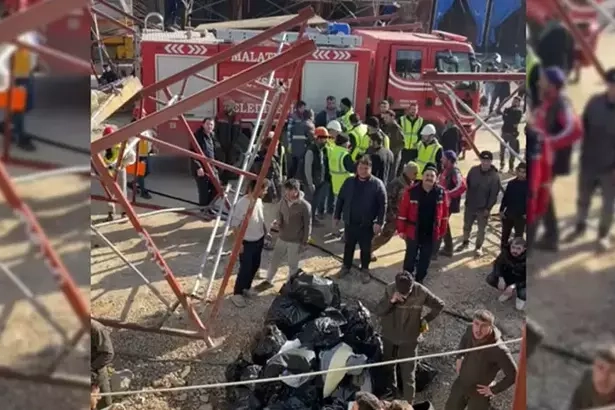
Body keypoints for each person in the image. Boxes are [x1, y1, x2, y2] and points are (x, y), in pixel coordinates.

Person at [531, 66, 582, 251]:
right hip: (541, 158)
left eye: (542, 80)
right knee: (543, 195)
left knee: (539, 195)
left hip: (550, 160)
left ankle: (543, 237)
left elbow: (574, 130)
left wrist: (547, 143)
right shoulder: (548, 101)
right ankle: (549, 235)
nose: (538, 82)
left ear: (551, 84)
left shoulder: (561, 104)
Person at [565, 68, 615, 251]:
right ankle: (580, 224)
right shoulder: (595, 103)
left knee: (608, 205)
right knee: (583, 198)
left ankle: (603, 234)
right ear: (607, 85)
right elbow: (581, 128)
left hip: (610, 168)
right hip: (588, 163)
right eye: (612, 84)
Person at [375, 271, 445, 403]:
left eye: (408, 292)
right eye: (402, 293)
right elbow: (379, 311)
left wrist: (425, 320)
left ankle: (407, 404)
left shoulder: (421, 291)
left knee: (408, 375)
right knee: (388, 368)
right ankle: (391, 396)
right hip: (390, 335)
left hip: (410, 339)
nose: (405, 295)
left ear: (412, 285)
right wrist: (391, 301)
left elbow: (439, 305)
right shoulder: (390, 289)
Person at [444, 310, 518, 410]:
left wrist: (493, 390)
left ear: (491, 327)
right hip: (462, 382)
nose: (478, 329)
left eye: (484, 326)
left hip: (479, 392)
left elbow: (514, 374)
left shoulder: (499, 350)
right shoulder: (470, 329)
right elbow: (464, 341)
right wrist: (459, 357)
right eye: (476, 323)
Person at [334, 155, 386, 283]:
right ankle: (346, 266)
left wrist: (379, 222)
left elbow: (383, 205)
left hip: (367, 224)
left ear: (371, 169)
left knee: (365, 248)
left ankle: (365, 270)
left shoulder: (377, 184)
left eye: (366, 168)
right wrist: (336, 215)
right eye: (361, 168)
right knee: (349, 246)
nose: (363, 171)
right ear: (357, 168)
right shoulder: (349, 182)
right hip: (350, 221)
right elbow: (340, 199)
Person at [396, 164, 449, 282]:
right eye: (427, 175)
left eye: (432, 176)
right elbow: (403, 212)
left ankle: (419, 281)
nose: (429, 178)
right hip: (413, 231)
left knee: (425, 259)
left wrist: (442, 231)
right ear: (422, 176)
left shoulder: (441, 193)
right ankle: (405, 280)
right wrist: (401, 230)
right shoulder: (411, 191)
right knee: (410, 256)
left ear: (436, 178)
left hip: (431, 232)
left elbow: (445, 215)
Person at [260, 179, 311, 289]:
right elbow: (279, 214)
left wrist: (305, 241)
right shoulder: (283, 201)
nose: (287, 193)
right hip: (282, 237)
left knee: (293, 265)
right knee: (275, 260)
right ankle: (268, 280)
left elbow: (307, 225)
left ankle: (290, 286)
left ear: (296, 191)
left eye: (289, 190)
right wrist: (278, 223)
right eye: (286, 190)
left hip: (295, 240)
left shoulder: (304, 206)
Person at [229, 178, 271, 308]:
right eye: (264, 189)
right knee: (245, 268)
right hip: (246, 242)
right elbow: (235, 225)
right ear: (257, 189)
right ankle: (237, 293)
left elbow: (260, 217)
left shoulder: (258, 201)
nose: (266, 192)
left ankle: (246, 288)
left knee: (255, 265)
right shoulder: (242, 204)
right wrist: (239, 243)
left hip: (258, 239)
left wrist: (265, 232)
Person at [371, 162, 419, 262]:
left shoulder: (410, 183)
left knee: (410, 237)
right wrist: (391, 215)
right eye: (415, 173)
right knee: (385, 236)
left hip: (406, 216)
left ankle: (413, 255)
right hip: (395, 216)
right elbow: (387, 200)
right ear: (409, 172)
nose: (416, 175)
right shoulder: (396, 184)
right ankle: (368, 250)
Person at [456, 151, 500, 257]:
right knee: (467, 226)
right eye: (483, 160)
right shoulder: (473, 170)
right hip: (470, 205)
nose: (485, 163)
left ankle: (478, 247)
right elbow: (467, 185)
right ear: (480, 160)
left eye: (488, 161)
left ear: (491, 161)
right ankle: (465, 242)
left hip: (483, 208)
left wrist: (488, 208)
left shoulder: (494, 176)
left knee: (481, 230)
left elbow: (494, 194)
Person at [101, 126, 137, 222]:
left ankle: (123, 213)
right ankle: (111, 213)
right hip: (108, 172)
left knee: (122, 193)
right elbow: (100, 159)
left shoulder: (122, 146)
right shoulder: (103, 146)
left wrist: (122, 164)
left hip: (119, 171)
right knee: (109, 194)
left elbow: (132, 158)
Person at [485, 237, 527, 311]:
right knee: (491, 279)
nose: (514, 251)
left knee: (521, 302)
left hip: (522, 281)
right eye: (513, 247)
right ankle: (508, 292)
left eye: (518, 249)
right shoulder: (505, 252)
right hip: (510, 275)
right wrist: (501, 277)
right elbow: (497, 264)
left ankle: (520, 297)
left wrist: (513, 286)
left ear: (524, 249)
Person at [438, 151, 466, 257]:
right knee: (443, 224)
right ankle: (447, 248)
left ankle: (439, 249)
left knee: (441, 223)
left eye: (443, 158)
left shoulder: (454, 171)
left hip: (447, 204)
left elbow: (462, 186)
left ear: (449, 160)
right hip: (442, 202)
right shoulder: (446, 170)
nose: (441, 160)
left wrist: (448, 194)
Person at [569, 344, 615, 409]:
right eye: (600, 367)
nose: (604, 377)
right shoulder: (586, 384)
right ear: (594, 366)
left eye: (613, 371)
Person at [302, 126, 330, 224]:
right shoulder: (311, 150)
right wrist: (310, 183)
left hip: (319, 182)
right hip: (311, 182)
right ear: (317, 138)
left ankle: (313, 219)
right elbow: (307, 168)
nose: (325, 141)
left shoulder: (322, 150)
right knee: (309, 203)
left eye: (326, 138)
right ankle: (307, 221)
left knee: (315, 202)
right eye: (323, 138)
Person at [499, 163, 527, 248]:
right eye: (520, 171)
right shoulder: (511, 183)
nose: (521, 174)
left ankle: (516, 259)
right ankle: (503, 256)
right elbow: (506, 198)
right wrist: (501, 210)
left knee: (518, 239)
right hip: (509, 214)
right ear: (516, 171)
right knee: (504, 237)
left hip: (521, 216)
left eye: (524, 172)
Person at [191, 117, 217, 209]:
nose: (210, 126)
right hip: (202, 168)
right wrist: (198, 167)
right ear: (203, 125)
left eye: (211, 124)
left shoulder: (212, 136)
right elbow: (192, 152)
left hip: (212, 167)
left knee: (217, 188)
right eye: (208, 124)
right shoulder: (197, 136)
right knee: (204, 191)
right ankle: (204, 210)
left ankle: (208, 207)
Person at [251, 134, 283, 203]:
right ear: (267, 146)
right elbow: (269, 179)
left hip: (268, 194)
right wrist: (274, 195)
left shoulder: (271, 157)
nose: (277, 148)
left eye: (277, 145)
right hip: (268, 196)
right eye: (275, 145)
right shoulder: (266, 159)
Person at [216, 101, 242, 183]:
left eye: (228, 106)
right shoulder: (220, 116)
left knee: (230, 161)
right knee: (222, 161)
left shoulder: (237, 117)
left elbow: (239, 132)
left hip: (232, 145)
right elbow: (216, 130)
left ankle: (227, 178)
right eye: (225, 106)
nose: (225, 107)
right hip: (222, 144)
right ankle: (222, 179)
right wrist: (217, 142)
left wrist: (236, 144)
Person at [91, 319, 114, 408]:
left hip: (97, 374)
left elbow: (108, 354)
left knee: (105, 405)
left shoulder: (97, 329)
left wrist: (91, 368)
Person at [328, 133, 355, 207]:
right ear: (344, 143)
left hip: (335, 185)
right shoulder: (345, 155)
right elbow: (352, 169)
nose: (349, 143)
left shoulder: (333, 151)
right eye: (348, 141)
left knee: (338, 206)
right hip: (346, 185)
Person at [498, 96, 523, 172]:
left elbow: (515, 122)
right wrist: (508, 118)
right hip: (505, 132)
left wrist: (508, 117)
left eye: (516, 101)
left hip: (513, 133)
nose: (514, 102)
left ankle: (511, 167)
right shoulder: (507, 109)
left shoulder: (519, 111)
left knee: (512, 152)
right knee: (502, 151)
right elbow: (505, 119)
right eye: (514, 100)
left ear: (519, 103)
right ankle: (502, 165)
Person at [287, 100, 312, 178]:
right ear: (298, 108)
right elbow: (289, 130)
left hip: (301, 145)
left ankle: (294, 178)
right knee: (295, 162)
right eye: (302, 108)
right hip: (296, 145)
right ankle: (290, 178)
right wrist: (289, 143)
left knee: (298, 163)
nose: (304, 110)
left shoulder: (303, 117)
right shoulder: (293, 117)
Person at [399, 102, 424, 174]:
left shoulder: (421, 121)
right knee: (400, 168)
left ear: (417, 110)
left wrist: (418, 143)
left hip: (414, 149)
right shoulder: (402, 119)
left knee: (412, 169)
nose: (413, 111)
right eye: (412, 109)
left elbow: (421, 135)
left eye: (415, 109)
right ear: (409, 110)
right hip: (403, 148)